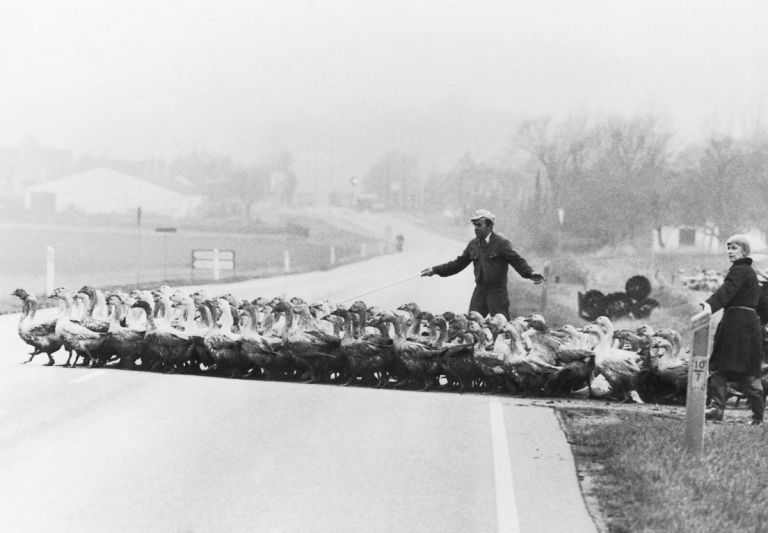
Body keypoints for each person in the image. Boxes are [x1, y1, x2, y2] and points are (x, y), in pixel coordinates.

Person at [420, 209, 544, 319]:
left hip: (497, 292)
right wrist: (434, 270)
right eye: (474, 225)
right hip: (480, 291)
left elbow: (517, 261)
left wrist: (530, 273)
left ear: (489, 226)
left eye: (479, 225)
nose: (476, 228)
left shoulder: (501, 243)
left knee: (502, 329)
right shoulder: (473, 244)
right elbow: (457, 264)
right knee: (472, 326)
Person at [702, 234, 764, 426]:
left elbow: (727, 290)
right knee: (749, 370)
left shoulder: (740, 270)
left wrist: (709, 305)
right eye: (728, 247)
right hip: (749, 325)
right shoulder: (750, 272)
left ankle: (717, 409)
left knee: (720, 367)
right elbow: (761, 303)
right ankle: (757, 417)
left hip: (736, 325)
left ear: (744, 251)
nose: (729, 251)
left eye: (734, 247)